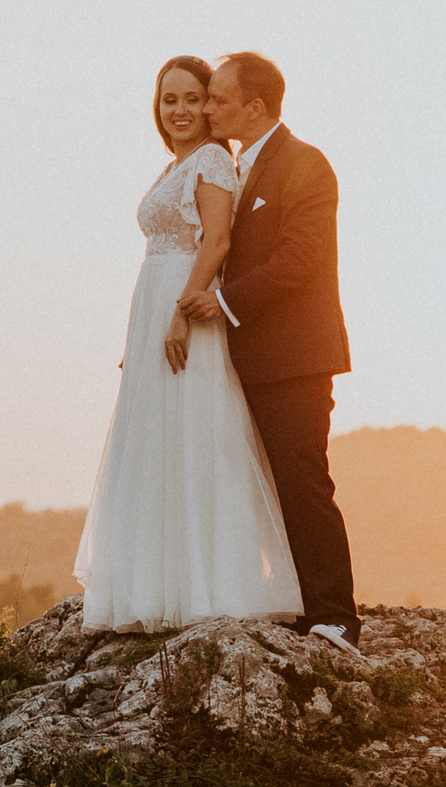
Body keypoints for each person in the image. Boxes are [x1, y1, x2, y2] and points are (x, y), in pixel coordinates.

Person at [73, 56, 303, 630]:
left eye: (192, 98)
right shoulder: (172, 165)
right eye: (168, 99)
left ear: (211, 106)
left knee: (197, 440)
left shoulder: (211, 161)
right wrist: (144, 330)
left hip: (187, 311)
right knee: (156, 443)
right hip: (156, 309)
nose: (180, 110)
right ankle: (156, 587)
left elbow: (219, 241)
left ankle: (210, 589)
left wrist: (180, 314)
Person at [176, 51, 364, 660]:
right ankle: (295, 603)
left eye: (217, 100)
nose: (206, 109)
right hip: (245, 358)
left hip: (296, 358)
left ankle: (335, 617)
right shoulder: (238, 167)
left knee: (303, 481)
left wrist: (222, 303)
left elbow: (298, 260)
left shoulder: (305, 164)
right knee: (263, 485)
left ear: (254, 108)